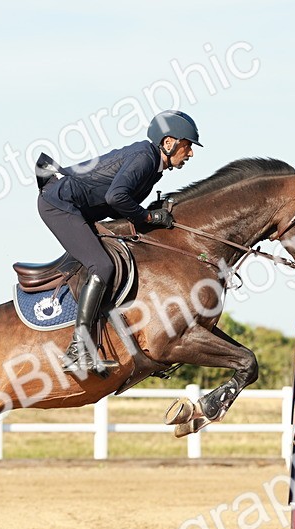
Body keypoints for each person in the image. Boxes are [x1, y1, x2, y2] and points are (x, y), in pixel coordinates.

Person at [37, 110, 202, 375]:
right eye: (187, 145)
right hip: (59, 205)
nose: (190, 153)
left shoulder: (153, 166)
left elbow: (117, 205)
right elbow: (116, 198)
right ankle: (78, 349)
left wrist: (150, 216)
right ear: (169, 143)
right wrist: (148, 215)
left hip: (79, 209)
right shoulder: (145, 159)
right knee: (102, 266)